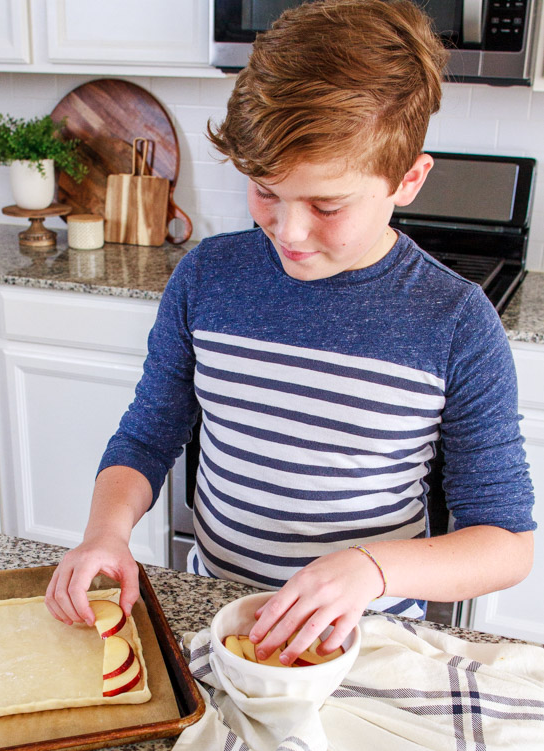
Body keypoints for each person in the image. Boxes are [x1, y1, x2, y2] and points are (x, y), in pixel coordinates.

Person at [45, 0, 535, 666]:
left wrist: (369, 568)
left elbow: (503, 542)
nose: (288, 230)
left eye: (326, 205)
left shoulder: (454, 322)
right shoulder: (207, 279)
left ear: (407, 179)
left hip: (366, 641)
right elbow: (147, 433)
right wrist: (104, 533)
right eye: (264, 191)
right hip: (217, 615)